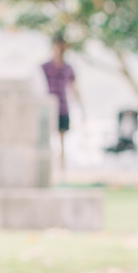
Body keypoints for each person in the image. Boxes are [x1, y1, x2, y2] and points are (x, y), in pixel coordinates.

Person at [42, 37, 81, 173]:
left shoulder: (68, 68)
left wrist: (80, 107)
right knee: (45, 139)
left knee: (62, 141)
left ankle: (62, 170)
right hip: (47, 107)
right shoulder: (45, 67)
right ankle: (47, 168)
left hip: (63, 108)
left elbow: (74, 87)